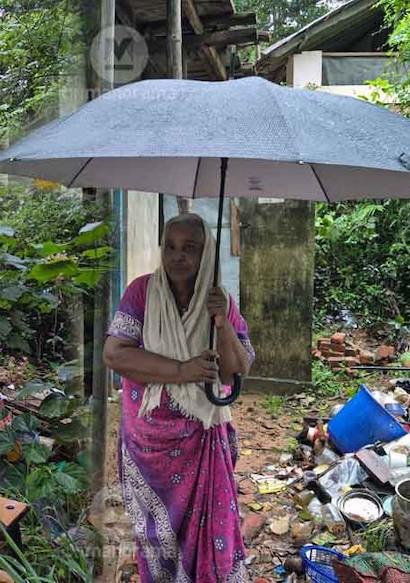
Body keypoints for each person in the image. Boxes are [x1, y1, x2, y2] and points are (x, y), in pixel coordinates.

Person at [103, 213, 255, 582]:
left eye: (190, 248)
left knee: (205, 528)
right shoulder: (141, 292)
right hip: (148, 439)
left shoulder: (220, 301)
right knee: (158, 534)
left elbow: (237, 371)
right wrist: (182, 370)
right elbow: (114, 354)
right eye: (170, 246)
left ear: (207, 255)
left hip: (201, 436)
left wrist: (220, 323)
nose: (178, 256)